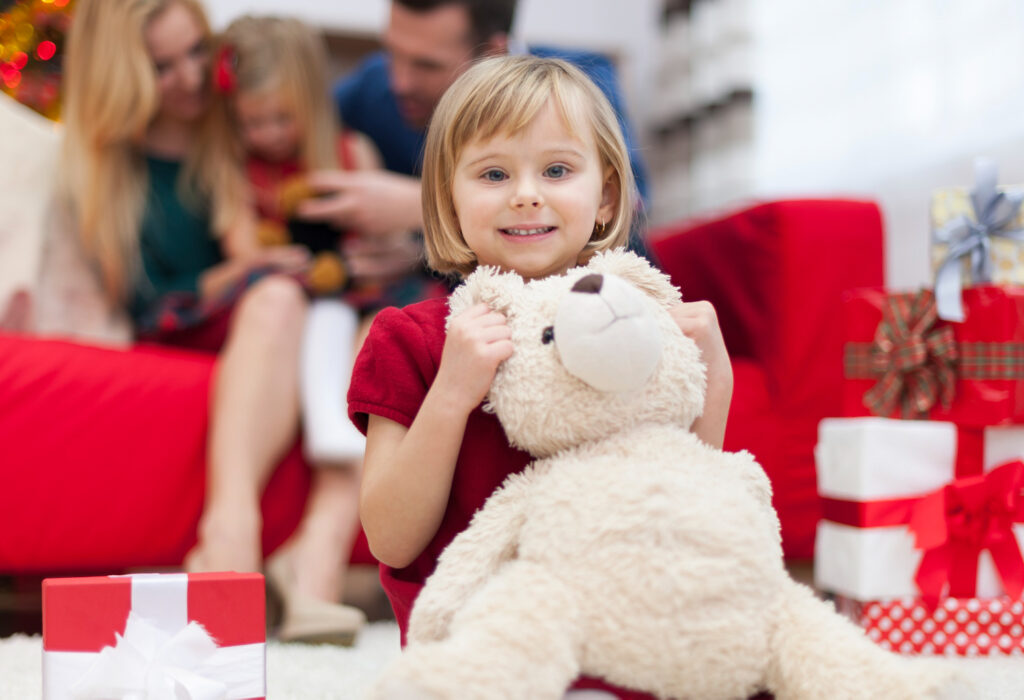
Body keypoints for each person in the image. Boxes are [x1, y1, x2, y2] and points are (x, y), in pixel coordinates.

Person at [349, 56, 732, 699]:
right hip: (472, 651)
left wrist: (712, 379)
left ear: (606, 195)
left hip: (612, 635)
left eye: (556, 170)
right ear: (448, 198)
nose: (526, 194)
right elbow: (390, 538)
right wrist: (452, 393)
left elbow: (683, 506)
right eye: (494, 174)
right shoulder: (410, 338)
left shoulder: (636, 324)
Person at [60, 0, 365, 644]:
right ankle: (229, 533)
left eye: (198, 50)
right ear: (124, 74)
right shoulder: (111, 163)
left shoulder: (232, 127)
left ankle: (313, 558)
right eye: (163, 66)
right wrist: (243, 271)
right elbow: (147, 297)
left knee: (372, 331)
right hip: (200, 316)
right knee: (277, 298)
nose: (194, 77)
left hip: (290, 310)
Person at [300, 0, 650, 264]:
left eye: (427, 65)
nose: (399, 82)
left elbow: (631, 211)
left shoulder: (577, 84)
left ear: (493, 53)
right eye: (392, 53)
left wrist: (426, 208)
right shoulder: (372, 86)